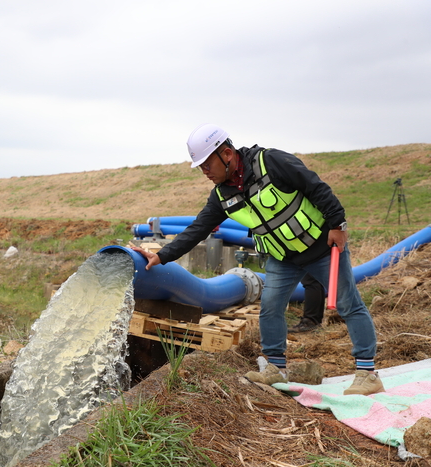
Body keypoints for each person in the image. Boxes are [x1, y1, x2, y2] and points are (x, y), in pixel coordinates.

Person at [131, 123, 384, 396]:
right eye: (200, 166)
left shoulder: (271, 162)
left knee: (349, 304)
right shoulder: (221, 196)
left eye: (206, 164)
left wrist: (337, 224)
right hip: (282, 257)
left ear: (227, 154)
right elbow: (197, 229)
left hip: (321, 246)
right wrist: (161, 256)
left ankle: (367, 373)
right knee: (271, 307)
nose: (204, 171)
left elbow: (314, 185)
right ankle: (276, 369)